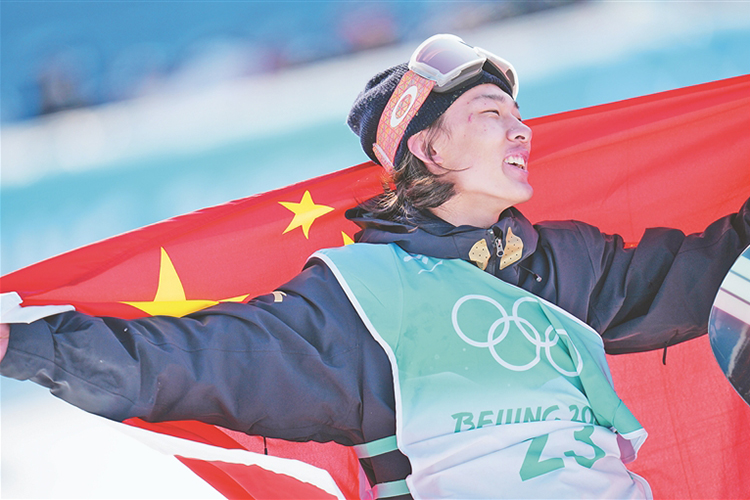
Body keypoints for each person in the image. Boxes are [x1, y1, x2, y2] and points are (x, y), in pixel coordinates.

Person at [1, 34, 749, 499]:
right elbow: (193, 362)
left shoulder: (564, 262)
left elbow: (712, 277)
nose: (521, 130)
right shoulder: (360, 300)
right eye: (492, 114)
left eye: (517, 115)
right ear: (428, 148)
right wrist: (26, 345)